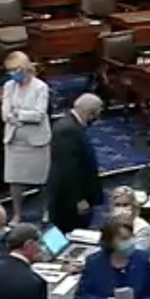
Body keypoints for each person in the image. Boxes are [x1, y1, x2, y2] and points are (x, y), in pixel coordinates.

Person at [1, 51, 51, 225]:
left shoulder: (40, 87)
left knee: (42, 180)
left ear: (25, 68)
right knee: (14, 181)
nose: (12, 73)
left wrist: (18, 114)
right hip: (14, 141)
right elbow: (4, 113)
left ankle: (46, 210)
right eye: (9, 70)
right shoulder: (8, 86)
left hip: (36, 142)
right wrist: (16, 115)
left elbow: (38, 115)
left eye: (15, 69)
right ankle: (17, 214)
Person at [47, 93, 104, 232]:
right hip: (70, 200)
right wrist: (78, 199)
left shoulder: (71, 125)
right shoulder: (68, 130)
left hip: (73, 196)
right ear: (90, 112)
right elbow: (68, 169)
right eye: (97, 114)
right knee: (72, 233)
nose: (97, 118)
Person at [108, 186, 150, 253]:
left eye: (125, 205)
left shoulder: (143, 229)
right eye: (117, 205)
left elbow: (136, 254)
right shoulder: (111, 223)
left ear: (133, 206)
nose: (121, 209)